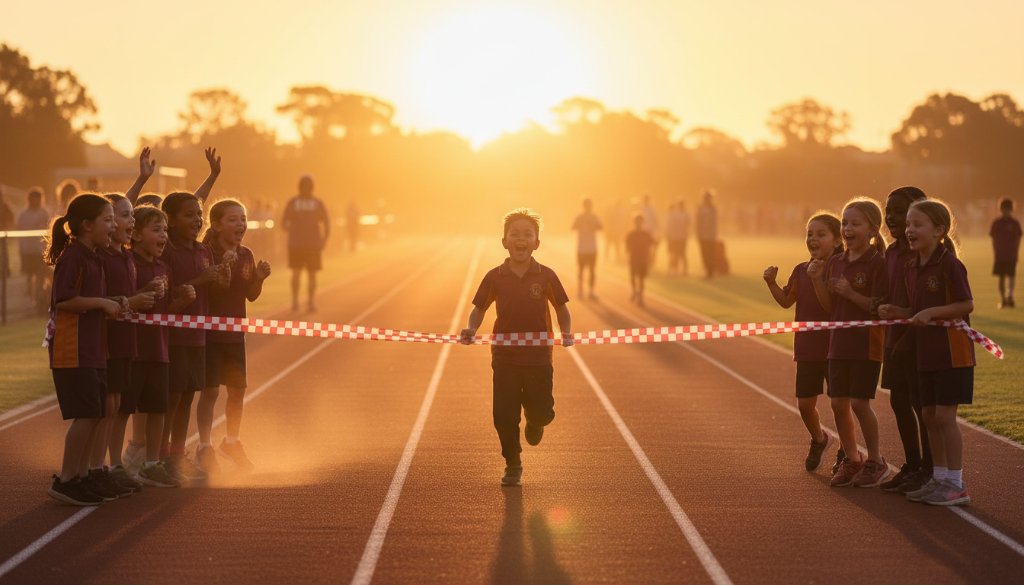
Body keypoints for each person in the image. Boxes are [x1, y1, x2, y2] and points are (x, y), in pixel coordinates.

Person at [459, 208, 572, 487]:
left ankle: (536, 422)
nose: (521, 239)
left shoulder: (546, 276)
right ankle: (513, 462)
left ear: (537, 243)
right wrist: (471, 329)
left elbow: (561, 308)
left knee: (542, 410)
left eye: (527, 234)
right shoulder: (495, 277)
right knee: (503, 415)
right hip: (505, 357)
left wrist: (566, 332)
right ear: (504, 242)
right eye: (515, 234)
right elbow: (478, 309)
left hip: (538, 357)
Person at [880, 200, 974, 506]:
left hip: (952, 352)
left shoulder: (949, 264)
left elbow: (965, 305)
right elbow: (916, 311)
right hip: (926, 353)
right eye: (908, 224)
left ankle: (956, 484)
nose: (909, 230)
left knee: (945, 416)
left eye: (917, 224)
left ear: (939, 231)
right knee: (929, 415)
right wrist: (900, 311)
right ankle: (939, 478)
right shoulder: (911, 266)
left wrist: (931, 312)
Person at [44, 194, 123, 505]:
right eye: (108, 220)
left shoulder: (95, 256)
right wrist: (102, 303)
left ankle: (81, 476)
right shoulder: (73, 257)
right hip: (72, 349)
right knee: (86, 414)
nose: (113, 225)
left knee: (97, 411)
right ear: (88, 225)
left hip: (93, 348)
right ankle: (66, 478)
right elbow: (63, 301)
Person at [808, 197, 890, 488]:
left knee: (859, 402)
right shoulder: (837, 262)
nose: (847, 228)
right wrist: (818, 281)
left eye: (855, 223)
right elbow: (830, 307)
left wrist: (852, 294)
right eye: (844, 223)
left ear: (871, 229)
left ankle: (876, 461)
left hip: (866, 343)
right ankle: (852, 459)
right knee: (839, 403)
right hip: (838, 343)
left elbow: (880, 307)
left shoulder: (878, 263)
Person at [763, 212, 844, 472]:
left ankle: (847, 451)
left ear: (837, 239)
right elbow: (787, 300)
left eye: (821, 234)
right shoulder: (800, 270)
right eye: (809, 233)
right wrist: (771, 283)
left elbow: (831, 307)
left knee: (840, 404)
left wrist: (819, 277)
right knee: (805, 405)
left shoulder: (839, 269)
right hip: (808, 347)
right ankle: (819, 439)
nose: (813, 239)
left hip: (835, 349)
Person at [196, 199, 271, 473]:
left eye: (243, 219)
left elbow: (249, 295)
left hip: (235, 334)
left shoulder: (246, 255)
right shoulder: (207, 253)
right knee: (210, 390)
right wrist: (221, 273)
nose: (241, 224)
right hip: (210, 335)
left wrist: (259, 278)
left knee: (238, 389)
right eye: (233, 219)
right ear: (216, 225)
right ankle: (204, 445)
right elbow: (211, 293)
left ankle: (232, 440)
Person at [159, 191, 228, 481]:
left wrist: (222, 276)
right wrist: (201, 280)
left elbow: (216, 290)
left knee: (187, 395)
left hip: (198, 336)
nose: (197, 220)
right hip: (175, 337)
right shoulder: (168, 253)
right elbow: (169, 293)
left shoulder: (203, 251)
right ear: (171, 221)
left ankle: (177, 454)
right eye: (189, 215)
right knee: (172, 397)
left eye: (199, 214)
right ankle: (160, 456)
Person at [93, 193, 158, 498]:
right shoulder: (102, 257)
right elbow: (107, 301)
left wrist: (146, 292)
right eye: (123, 216)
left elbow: (127, 296)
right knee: (108, 407)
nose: (130, 221)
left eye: (133, 216)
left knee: (119, 405)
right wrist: (140, 180)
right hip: (106, 343)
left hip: (126, 341)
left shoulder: (126, 256)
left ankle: (114, 464)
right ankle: (99, 467)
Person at [123, 205, 188, 488]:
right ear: (135, 235)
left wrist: (181, 301)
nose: (163, 235)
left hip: (160, 350)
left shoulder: (164, 267)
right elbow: (123, 302)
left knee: (158, 409)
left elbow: (166, 308)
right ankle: (117, 463)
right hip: (134, 350)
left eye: (164, 230)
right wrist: (142, 292)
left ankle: (152, 463)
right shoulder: (128, 263)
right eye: (156, 230)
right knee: (125, 408)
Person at [878, 186, 933, 494]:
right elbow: (891, 289)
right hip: (894, 336)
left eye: (899, 211)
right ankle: (912, 465)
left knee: (920, 403)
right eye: (889, 211)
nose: (891, 217)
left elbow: (924, 299)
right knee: (899, 401)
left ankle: (929, 467)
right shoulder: (891, 251)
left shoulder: (919, 250)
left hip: (918, 338)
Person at [282, 175, 330, 312]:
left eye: (308, 187)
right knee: (298, 274)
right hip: (299, 244)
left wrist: (324, 239)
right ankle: (297, 301)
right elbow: (284, 221)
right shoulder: (297, 203)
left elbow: (326, 222)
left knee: (311, 275)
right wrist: (289, 226)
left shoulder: (314, 203)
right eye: (305, 187)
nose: (306, 190)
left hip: (310, 245)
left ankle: (309, 301)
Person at [16, 188, 51, 307]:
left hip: (40, 250)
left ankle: (39, 298)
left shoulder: (44, 213)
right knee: (29, 275)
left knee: (40, 275)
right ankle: (29, 297)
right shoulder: (23, 214)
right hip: (27, 250)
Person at [989, 197, 1022, 309]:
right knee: (1001, 277)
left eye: (1008, 209)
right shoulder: (997, 223)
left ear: (1011, 209)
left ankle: (1010, 296)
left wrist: (1016, 252)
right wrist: (995, 252)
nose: (1006, 211)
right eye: (1004, 208)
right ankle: (1003, 299)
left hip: (1011, 254)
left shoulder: (1015, 223)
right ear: (1001, 209)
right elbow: (993, 238)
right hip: (1000, 255)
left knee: (1012, 276)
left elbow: (1018, 238)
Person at [571, 198, 602, 299]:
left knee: (592, 270)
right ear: (583, 206)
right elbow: (572, 227)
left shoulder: (594, 217)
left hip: (592, 248)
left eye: (589, 205)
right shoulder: (579, 217)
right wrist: (580, 224)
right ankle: (580, 290)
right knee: (581, 270)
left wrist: (594, 225)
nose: (588, 207)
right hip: (582, 248)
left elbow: (601, 227)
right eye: (586, 205)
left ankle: (591, 291)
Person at [625, 215, 656, 307]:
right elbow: (627, 247)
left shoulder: (646, 234)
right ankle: (634, 291)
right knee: (633, 277)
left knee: (641, 279)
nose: (638, 224)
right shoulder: (631, 234)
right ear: (634, 223)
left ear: (642, 223)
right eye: (637, 222)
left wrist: (652, 257)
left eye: (640, 222)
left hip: (643, 259)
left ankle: (641, 297)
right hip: (633, 258)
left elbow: (653, 244)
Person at [696, 191, 719, 278]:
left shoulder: (713, 209)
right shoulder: (701, 208)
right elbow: (698, 222)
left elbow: (714, 222)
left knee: (710, 253)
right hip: (703, 235)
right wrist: (698, 233)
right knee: (704, 253)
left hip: (710, 235)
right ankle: (707, 269)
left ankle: (710, 270)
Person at [665, 201, 690, 276]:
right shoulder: (675, 214)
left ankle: (684, 270)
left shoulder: (686, 214)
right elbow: (671, 226)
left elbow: (688, 225)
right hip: (675, 237)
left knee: (681, 254)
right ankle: (674, 269)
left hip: (682, 237)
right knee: (674, 254)